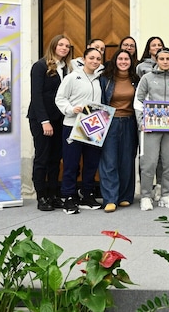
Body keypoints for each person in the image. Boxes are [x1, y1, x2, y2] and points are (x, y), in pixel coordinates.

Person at [135, 47, 169, 211]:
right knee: (149, 163)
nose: (165, 62)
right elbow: (138, 101)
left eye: (168, 59)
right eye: (162, 59)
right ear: (156, 60)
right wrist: (141, 121)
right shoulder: (147, 78)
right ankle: (145, 196)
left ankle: (166, 194)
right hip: (150, 128)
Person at [55, 47, 104, 215]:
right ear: (84, 59)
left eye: (98, 59)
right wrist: (70, 109)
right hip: (72, 124)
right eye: (92, 58)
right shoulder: (72, 77)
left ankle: (87, 194)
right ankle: (68, 196)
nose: (95, 61)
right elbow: (60, 98)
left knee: (91, 162)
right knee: (71, 163)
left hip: (93, 124)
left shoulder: (100, 79)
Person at [28, 35, 71, 211]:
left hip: (59, 119)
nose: (64, 48)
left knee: (55, 159)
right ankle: (41, 197)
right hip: (41, 119)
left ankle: (53, 194)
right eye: (61, 44)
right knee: (42, 158)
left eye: (67, 46)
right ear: (53, 46)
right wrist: (44, 121)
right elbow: (36, 96)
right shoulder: (40, 66)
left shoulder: (67, 68)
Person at [98, 49, 140, 212]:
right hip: (110, 122)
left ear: (131, 61)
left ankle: (125, 196)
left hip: (130, 123)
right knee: (109, 160)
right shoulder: (105, 79)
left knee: (127, 160)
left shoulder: (136, 79)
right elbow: (100, 100)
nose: (123, 61)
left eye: (126, 59)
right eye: (120, 59)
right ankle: (110, 198)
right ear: (115, 60)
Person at [137, 36, 166, 200]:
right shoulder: (141, 67)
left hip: (166, 119)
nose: (156, 47)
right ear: (149, 49)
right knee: (148, 156)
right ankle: (146, 189)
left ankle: (160, 187)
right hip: (148, 119)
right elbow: (139, 93)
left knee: (163, 156)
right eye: (153, 45)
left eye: (159, 45)